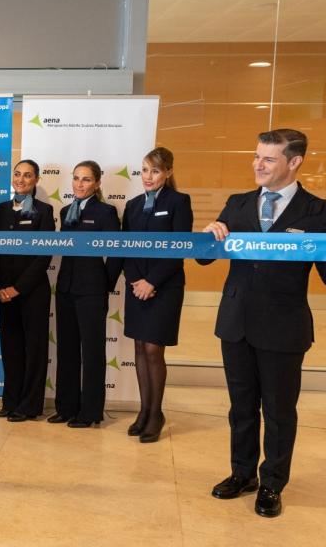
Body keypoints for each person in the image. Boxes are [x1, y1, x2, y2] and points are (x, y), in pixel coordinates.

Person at [199, 129, 326, 518]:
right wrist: (210, 236)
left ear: (294, 162)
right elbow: (207, 257)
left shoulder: (319, 211)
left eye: (268, 159)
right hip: (236, 322)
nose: (257, 165)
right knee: (241, 407)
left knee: (278, 411)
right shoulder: (238, 203)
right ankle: (242, 474)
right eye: (256, 156)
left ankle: (272, 483)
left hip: (283, 326)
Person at [118, 147, 193, 443]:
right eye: (145, 170)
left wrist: (152, 282)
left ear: (168, 172)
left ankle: (156, 413)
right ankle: (144, 410)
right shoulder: (133, 205)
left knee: (153, 350)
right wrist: (136, 280)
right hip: (137, 285)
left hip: (165, 287)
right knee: (139, 347)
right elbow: (125, 247)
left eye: (156, 171)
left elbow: (179, 249)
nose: (148, 176)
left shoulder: (179, 202)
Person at [49, 160, 120, 429]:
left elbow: (116, 253)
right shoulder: (65, 210)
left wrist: (104, 284)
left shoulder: (106, 212)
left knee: (92, 352)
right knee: (66, 351)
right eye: (76, 178)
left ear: (97, 183)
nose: (80, 184)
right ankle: (66, 408)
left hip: (92, 291)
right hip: (65, 288)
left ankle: (90, 412)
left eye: (86, 179)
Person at [0, 159, 56, 422]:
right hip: (4, 293)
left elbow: (43, 256)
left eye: (27, 175)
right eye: (17, 174)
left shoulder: (44, 211)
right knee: (11, 348)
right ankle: (11, 401)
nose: (21, 179)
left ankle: (29, 405)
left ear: (36, 180)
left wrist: (18, 288)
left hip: (33, 292)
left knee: (34, 350)